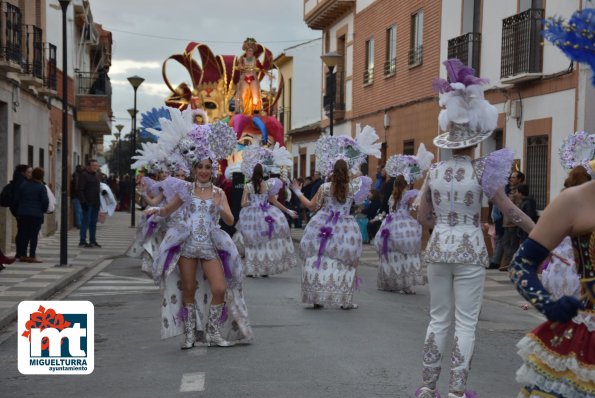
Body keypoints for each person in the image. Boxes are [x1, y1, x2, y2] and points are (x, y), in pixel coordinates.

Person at [414, 59, 536, 398]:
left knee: (438, 319)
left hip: (439, 248)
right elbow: (510, 211)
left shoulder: (434, 173)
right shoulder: (484, 171)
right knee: (465, 323)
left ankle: (427, 385)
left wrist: (442, 227)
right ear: (477, 137)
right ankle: (456, 389)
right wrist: (540, 232)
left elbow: (422, 217)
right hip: (469, 249)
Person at [139, 108, 252, 349]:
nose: (203, 171)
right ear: (194, 169)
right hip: (188, 244)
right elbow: (167, 210)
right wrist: (154, 211)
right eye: (199, 167)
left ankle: (212, 332)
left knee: (219, 288)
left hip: (211, 245)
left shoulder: (219, 193)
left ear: (213, 170)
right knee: (188, 288)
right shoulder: (186, 191)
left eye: (207, 167)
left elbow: (231, 221)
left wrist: (220, 208)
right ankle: (190, 335)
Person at [290, 124, 380, 309]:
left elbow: (311, 205)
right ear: (346, 171)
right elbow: (360, 182)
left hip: (322, 224)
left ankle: (316, 296)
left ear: (331, 170)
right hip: (346, 228)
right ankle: (345, 301)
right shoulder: (353, 187)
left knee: (319, 259)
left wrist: (298, 192)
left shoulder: (324, 188)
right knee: (346, 263)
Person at [374, 147, 433, 294]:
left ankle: (390, 281)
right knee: (405, 254)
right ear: (407, 182)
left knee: (392, 254)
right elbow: (416, 207)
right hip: (404, 225)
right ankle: (404, 284)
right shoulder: (410, 194)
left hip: (389, 225)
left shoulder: (392, 196)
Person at [234, 145, 298, 277]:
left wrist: (251, 203)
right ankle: (264, 270)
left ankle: (252, 270)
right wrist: (288, 211)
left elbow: (243, 203)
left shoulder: (248, 186)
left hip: (251, 216)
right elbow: (274, 201)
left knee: (252, 242)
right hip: (267, 213)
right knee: (265, 242)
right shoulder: (269, 184)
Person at [14, 168, 49, 263]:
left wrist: (19, 210)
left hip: (23, 213)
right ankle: (32, 256)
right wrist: (44, 210)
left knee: (24, 234)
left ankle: (23, 255)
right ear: (41, 176)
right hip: (36, 215)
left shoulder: (24, 185)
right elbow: (45, 201)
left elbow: (17, 199)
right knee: (33, 236)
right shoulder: (41, 187)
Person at [77, 159, 101, 248]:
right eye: (93, 165)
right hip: (87, 203)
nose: (95, 167)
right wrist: (83, 202)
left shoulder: (97, 175)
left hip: (96, 203)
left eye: (96, 165)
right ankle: (82, 241)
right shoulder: (84, 175)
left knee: (93, 223)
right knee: (85, 222)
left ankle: (93, 241)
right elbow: (80, 190)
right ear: (88, 166)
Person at [236, 37, 262, 115]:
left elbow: (261, 67)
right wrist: (241, 67)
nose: (250, 52)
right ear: (246, 51)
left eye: (251, 50)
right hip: (245, 78)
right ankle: (243, 109)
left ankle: (255, 110)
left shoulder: (255, 59)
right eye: (249, 50)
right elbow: (239, 66)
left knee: (255, 95)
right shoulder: (242, 58)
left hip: (253, 78)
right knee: (243, 94)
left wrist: (259, 69)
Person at [10, 164, 32, 260]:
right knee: (23, 232)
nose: (30, 174)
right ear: (23, 173)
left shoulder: (20, 181)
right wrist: (19, 212)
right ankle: (21, 254)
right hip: (21, 211)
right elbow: (17, 199)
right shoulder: (22, 182)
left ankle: (20, 253)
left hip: (20, 211)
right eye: (28, 172)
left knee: (21, 232)